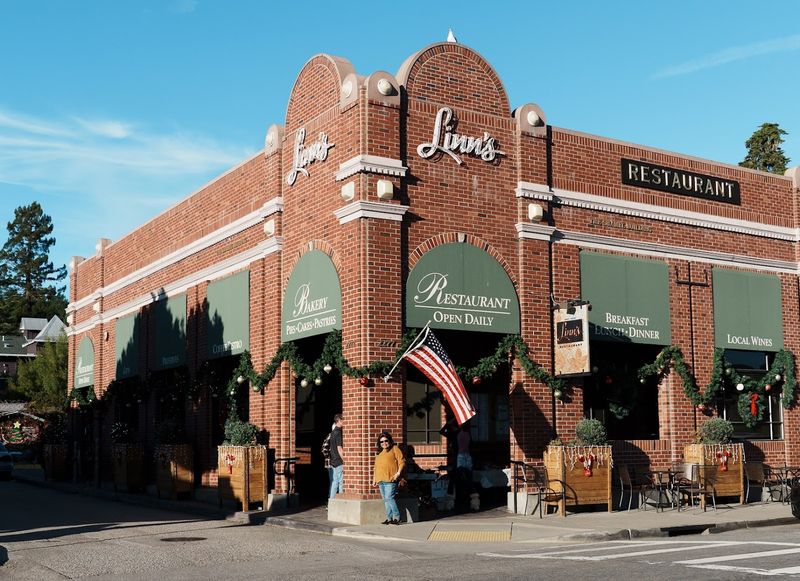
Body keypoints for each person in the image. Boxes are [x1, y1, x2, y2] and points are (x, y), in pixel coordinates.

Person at [372, 431, 405, 525]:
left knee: (389, 498)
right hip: (380, 480)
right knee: (386, 500)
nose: (384, 443)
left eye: (386, 441)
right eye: (381, 442)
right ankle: (389, 518)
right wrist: (374, 479)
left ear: (390, 441)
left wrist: (398, 473)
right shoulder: (379, 453)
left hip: (390, 479)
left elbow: (401, 461)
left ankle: (397, 517)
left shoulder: (395, 449)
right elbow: (376, 468)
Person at [328, 414, 345, 499]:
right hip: (339, 461)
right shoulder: (338, 433)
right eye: (343, 420)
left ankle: (332, 500)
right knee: (341, 482)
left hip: (333, 461)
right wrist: (345, 460)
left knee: (334, 482)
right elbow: (339, 448)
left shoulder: (333, 433)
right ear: (339, 421)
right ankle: (341, 500)